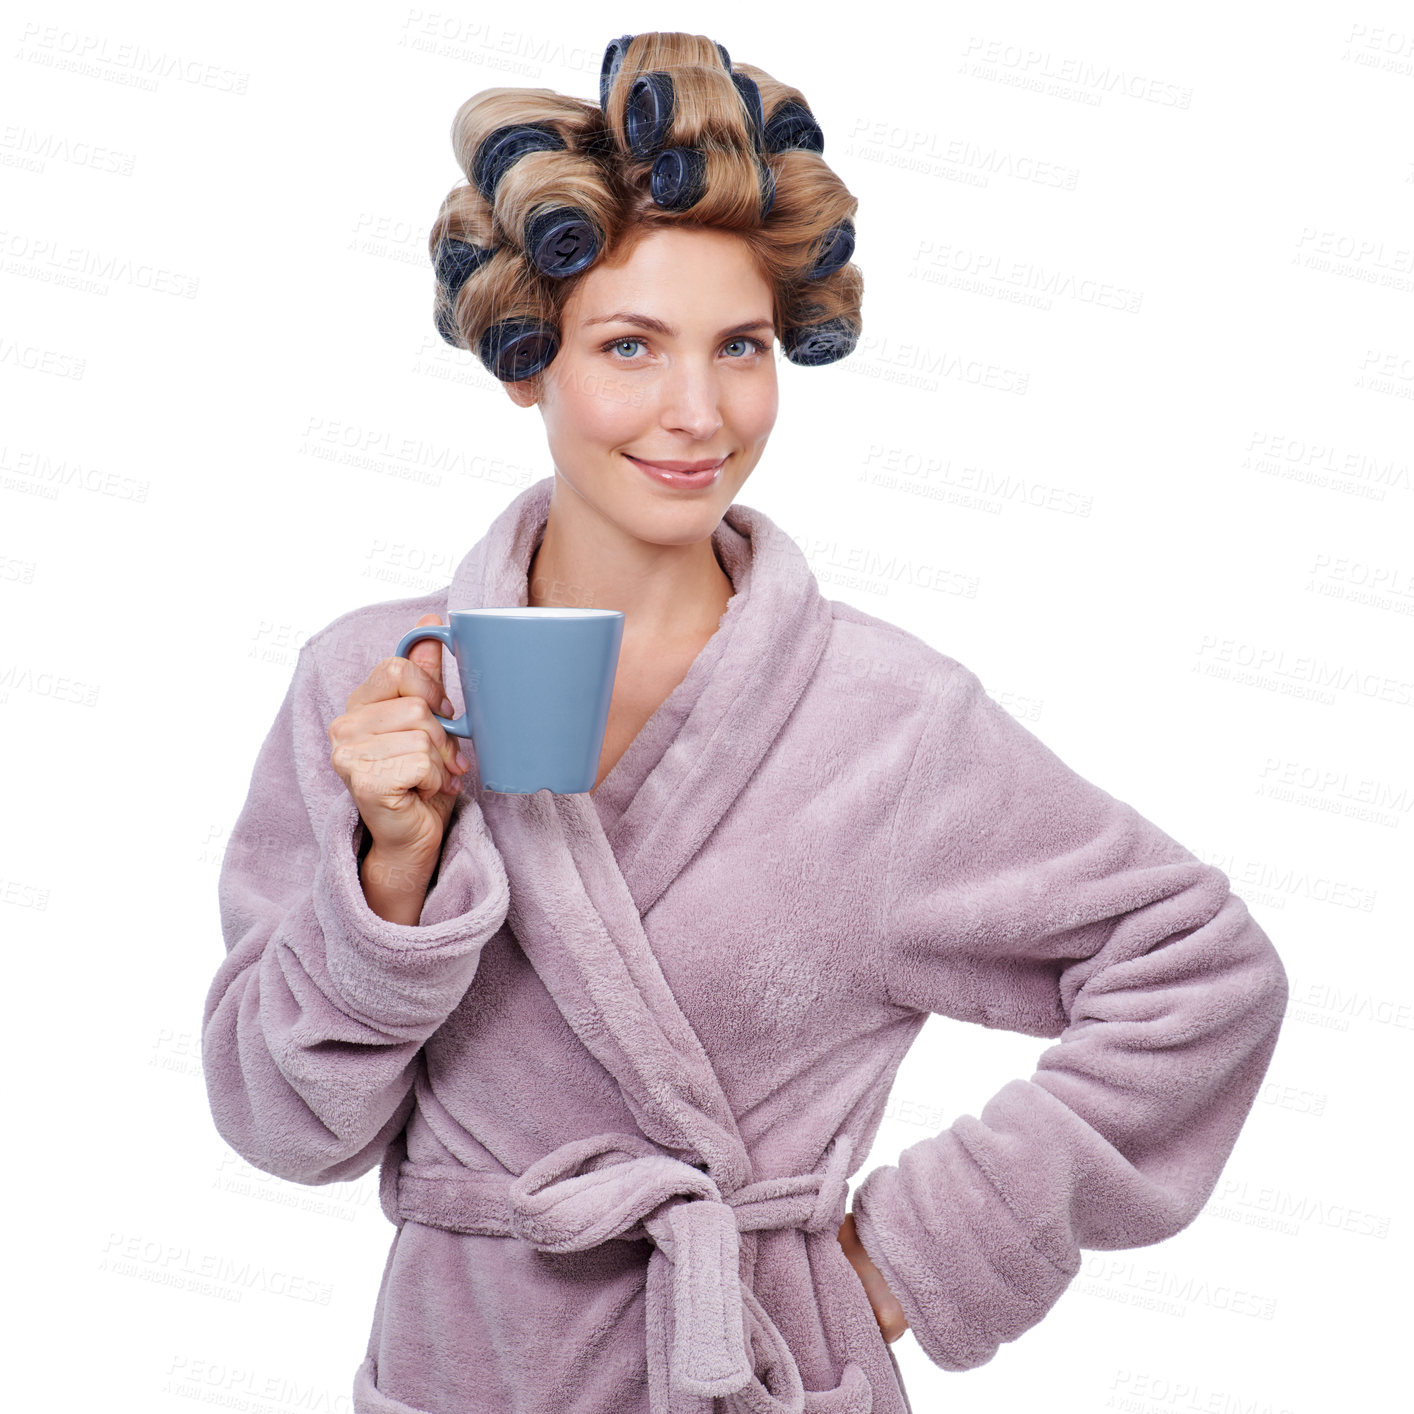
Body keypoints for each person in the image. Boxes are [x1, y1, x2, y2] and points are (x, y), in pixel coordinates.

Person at [201, 32, 1290, 1414]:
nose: (698, 413)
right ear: (527, 361)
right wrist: (389, 872)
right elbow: (279, 1129)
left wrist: (913, 1252)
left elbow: (1202, 973)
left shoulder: (884, 720)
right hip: (463, 1375)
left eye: (743, 347)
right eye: (629, 346)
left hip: (759, 1371)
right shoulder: (370, 687)